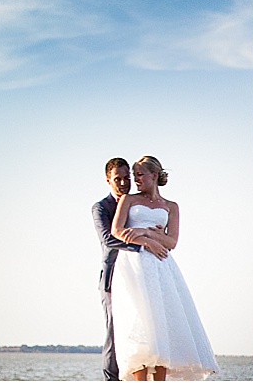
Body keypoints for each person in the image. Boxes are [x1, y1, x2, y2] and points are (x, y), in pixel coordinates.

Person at [110, 156, 219, 380]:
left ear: (154, 175)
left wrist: (146, 232)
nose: (135, 179)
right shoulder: (128, 200)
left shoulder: (171, 206)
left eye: (140, 174)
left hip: (161, 266)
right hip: (134, 265)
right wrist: (145, 239)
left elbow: (172, 242)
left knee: (163, 324)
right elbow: (117, 231)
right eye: (135, 174)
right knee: (139, 322)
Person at [93, 158, 170, 381]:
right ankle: (112, 379)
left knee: (147, 328)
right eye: (118, 179)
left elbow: (165, 235)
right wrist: (144, 243)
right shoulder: (101, 208)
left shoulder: (139, 201)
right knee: (115, 331)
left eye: (127, 177)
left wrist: (154, 235)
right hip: (114, 275)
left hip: (145, 273)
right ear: (108, 180)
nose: (124, 183)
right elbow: (108, 238)